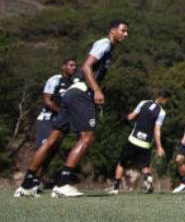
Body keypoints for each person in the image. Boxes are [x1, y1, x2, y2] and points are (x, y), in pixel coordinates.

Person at [16, 20, 129, 198]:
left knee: (52, 141)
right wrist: (97, 90)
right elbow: (86, 66)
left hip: (71, 94)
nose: (125, 34)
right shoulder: (104, 43)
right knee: (88, 137)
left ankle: (27, 184)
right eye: (123, 31)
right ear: (112, 31)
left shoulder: (109, 48)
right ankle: (63, 183)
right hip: (81, 94)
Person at [14, 58, 78, 197]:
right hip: (48, 120)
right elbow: (47, 101)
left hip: (63, 122)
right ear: (63, 67)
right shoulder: (55, 79)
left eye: (75, 66)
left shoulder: (74, 83)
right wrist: (62, 113)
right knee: (43, 149)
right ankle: (25, 184)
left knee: (51, 154)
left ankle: (35, 184)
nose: (74, 67)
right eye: (71, 65)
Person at [109, 91, 169, 194]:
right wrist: (159, 147)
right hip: (145, 144)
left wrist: (122, 119)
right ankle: (148, 179)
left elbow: (131, 116)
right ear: (164, 99)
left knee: (121, 163)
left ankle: (115, 189)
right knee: (144, 167)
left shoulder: (143, 103)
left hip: (133, 140)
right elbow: (157, 130)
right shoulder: (162, 112)